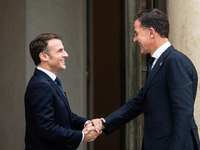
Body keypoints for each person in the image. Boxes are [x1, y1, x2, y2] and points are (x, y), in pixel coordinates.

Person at [97, 8, 200, 150]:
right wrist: (104, 124)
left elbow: (183, 115)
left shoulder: (175, 62)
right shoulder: (156, 63)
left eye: (136, 34)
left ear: (151, 33)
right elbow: (138, 103)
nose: (134, 39)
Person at [24, 33, 104, 150]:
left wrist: (88, 123)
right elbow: (46, 128)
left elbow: (64, 116)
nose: (66, 54)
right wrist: (82, 136)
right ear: (44, 56)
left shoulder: (49, 81)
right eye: (59, 51)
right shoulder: (40, 85)